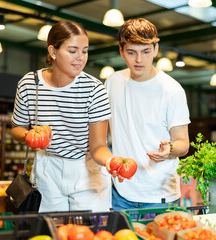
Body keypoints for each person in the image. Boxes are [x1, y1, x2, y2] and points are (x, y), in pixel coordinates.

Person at [11, 21, 117, 212]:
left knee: (87, 232)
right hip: (47, 168)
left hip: (87, 169)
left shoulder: (94, 90)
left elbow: (99, 145)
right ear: (53, 51)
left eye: (84, 51)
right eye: (73, 51)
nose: (80, 58)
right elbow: (17, 128)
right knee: (52, 230)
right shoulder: (29, 84)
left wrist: (110, 161)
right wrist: (29, 136)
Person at [105, 18, 190, 211]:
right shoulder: (112, 82)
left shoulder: (172, 90)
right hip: (120, 192)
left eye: (145, 52)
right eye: (131, 52)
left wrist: (169, 149)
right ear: (121, 51)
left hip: (160, 195)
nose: (139, 60)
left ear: (156, 49)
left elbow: (183, 143)